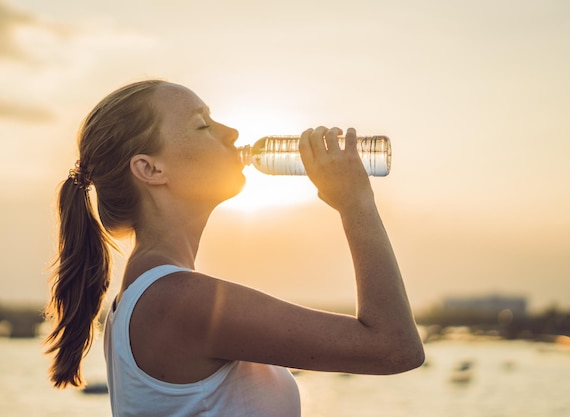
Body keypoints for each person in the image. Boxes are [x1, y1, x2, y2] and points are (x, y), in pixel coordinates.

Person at [44, 80, 425, 416]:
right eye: (203, 125)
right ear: (151, 170)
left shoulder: (147, 296)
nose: (231, 132)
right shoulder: (176, 300)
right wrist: (356, 202)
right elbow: (394, 346)